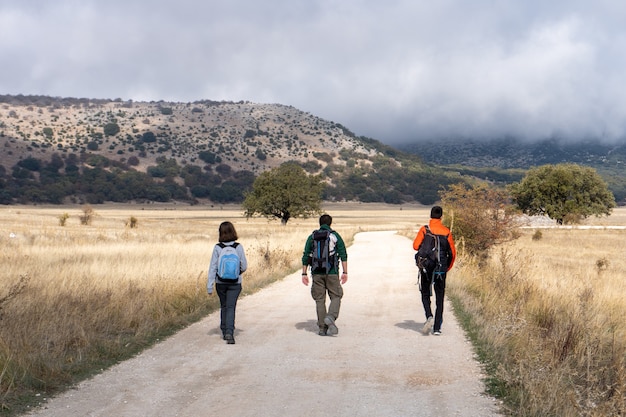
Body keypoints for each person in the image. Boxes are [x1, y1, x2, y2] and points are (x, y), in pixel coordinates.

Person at [301, 214, 348, 336]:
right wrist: (345, 272)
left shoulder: (312, 237)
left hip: (316, 273)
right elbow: (343, 254)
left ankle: (322, 328)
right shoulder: (334, 236)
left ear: (319, 223)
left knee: (319, 300)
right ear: (330, 223)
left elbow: (306, 256)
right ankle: (331, 317)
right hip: (332, 272)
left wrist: (304, 273)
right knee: (336, 295)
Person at [412, 206, 456, 336]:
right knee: (440, 297)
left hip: (426, 267)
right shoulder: (446, 231)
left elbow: (415, 246)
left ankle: (429, 316)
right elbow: (452, 253)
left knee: (425, 292)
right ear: (441, 217)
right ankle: (437, 328)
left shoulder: (424, 230)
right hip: (440, 268)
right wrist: (447, 267)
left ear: (430, 216)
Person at [207, 221, 248, 344]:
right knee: (231, 307)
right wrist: (236, 273)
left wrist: (210, 285)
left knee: (224, 306)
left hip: (220, 282)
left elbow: (213, 267)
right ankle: (229, 332)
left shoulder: (217, 248)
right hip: (235, 283)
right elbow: (244, 266)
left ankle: (224, 329)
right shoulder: (238, 247)